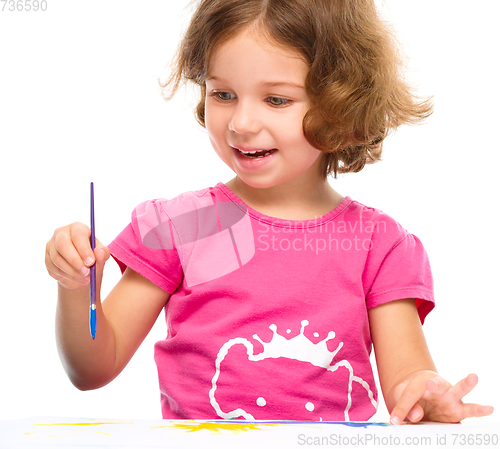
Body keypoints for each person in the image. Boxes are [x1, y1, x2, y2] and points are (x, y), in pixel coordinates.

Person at [45, 0, 494, 424]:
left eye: (276, 100)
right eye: (223, 94)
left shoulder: (380, 245)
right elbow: (91, 370)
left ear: (341, 109)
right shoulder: (181, 227)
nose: (240, 123)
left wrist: (424, 397)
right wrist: (74, 287)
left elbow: (406, 382)